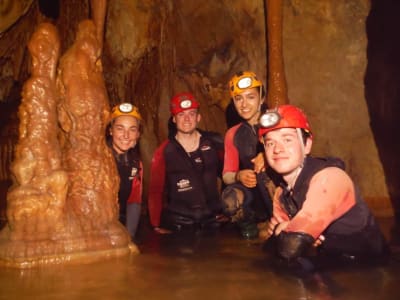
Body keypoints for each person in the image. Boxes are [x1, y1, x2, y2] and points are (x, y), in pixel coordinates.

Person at [258, 104, 388, 262]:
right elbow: (269, 246)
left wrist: (283, 230)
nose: (277, 149)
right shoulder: (281, 194)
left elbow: (291, 246)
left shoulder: (329, 179)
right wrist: (283, 231)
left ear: (307, 145)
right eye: (270, 143)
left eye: (287, 139)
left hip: (368, 271)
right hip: (330, 265)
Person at [148, 92, 225, 234]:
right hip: (178, 223)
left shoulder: (215, 143)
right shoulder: (164, 151)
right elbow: (155, 190)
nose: (187, 119)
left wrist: (226, 208)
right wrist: (156, 224)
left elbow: (228, 173)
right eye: (181, 115)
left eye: (191, 113)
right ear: (174, 119)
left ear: (198, 117)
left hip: (212, 221)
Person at [221, 71, 273, 239]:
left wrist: (268, 155)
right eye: (238, 99)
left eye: (250, 97)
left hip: (278, 193)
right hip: (255, 197)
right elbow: (226, 175)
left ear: (262, 98)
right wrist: (238, 175)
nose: (244, 104)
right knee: (229, 198)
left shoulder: (276, 123)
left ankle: (278, 222)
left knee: (265, 173)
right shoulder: (232, 134)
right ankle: (250, 229)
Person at [107, 102, 143, 239]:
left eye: (132, 129)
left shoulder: (135, 162)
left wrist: (130, 237)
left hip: (119, 226)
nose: (126, 135)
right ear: (111, 130)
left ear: (138, 134)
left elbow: (134, 201)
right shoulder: (98, 158)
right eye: (120, 128)